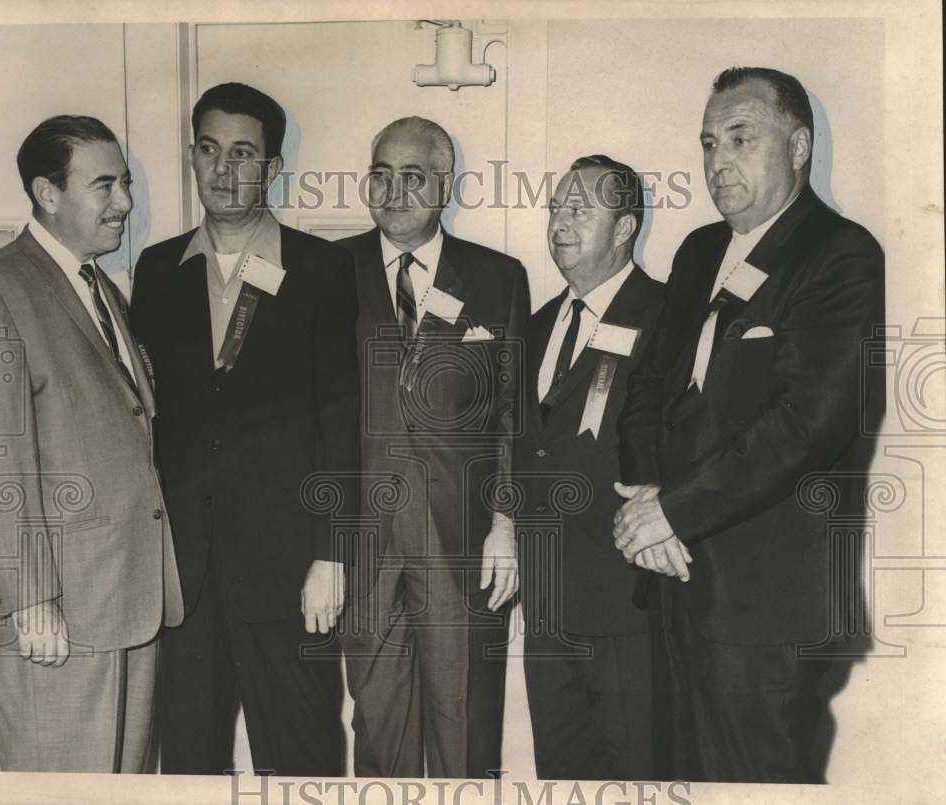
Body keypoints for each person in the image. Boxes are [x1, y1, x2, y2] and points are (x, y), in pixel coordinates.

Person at [614, 67, 884, 783]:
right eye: (707, 143)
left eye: (740, 138)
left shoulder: (841, 253)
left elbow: (808, 424)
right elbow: (649, 385)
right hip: (671, 581)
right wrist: (646, 496)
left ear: (797, 146)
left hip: (765, 606)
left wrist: (674, 511)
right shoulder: (699, 250)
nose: (716, 162)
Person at [129, 82, 360, 776]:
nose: (225, 170)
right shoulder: (157, 270)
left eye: (243, 153)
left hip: (290, 571)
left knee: (306, 759)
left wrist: (332, 554)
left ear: (271, 167)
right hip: (184, 576)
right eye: (208, 150)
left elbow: (340, 419)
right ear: (192, 158)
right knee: (190, 763)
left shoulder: (320, 267)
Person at [0, 115, 184, 772]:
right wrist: (32, 596)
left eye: (124, 184)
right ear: (47, 192)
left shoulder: (100, 287)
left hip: (129, 600)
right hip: (59, 614)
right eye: (105, 186)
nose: (124, 203)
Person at [337, 116, 530, 778]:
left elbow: (512, 412)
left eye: (412, 176)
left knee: (463, 724)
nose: (393, 192)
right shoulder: (331, 270)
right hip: (363, 537)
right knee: (379, 727)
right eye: (380, 175)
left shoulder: (499, 278)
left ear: (444, 184)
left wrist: (506, 517)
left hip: (459, 534)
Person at [515, 155, 667, 780]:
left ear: (626, 226)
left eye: (579, 209)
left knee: (639, 776)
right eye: (555, 208)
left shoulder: (668, 317)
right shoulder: (533, 327)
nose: (559, 223)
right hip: (547, 609)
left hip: (630, 606)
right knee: (561, 778)